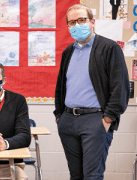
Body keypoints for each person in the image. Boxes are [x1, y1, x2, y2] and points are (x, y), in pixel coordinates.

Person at [54, 4, 129, 180]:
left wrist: (108, 118)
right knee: (76, 175)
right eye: (72, 22)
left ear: (92, 22)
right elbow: (60, 87)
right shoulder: (68, 52)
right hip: (68, 120)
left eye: (81, 20)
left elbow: (120, 87)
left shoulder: (109, 48)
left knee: (92, 176)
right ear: (68, 27)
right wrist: (59, 116)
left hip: (95, 121)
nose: (77, 25)